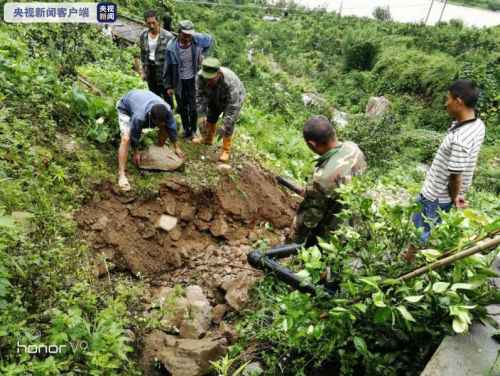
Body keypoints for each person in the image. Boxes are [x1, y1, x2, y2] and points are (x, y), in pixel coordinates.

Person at [412, 80, 485, 244]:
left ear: (458, 101)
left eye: (448, 99)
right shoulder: (478, 125)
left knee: (419, 236)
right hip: (444, 196)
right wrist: (458, 194)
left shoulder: (461, 139)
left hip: (434, 197)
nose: (446, 104)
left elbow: (455, 176)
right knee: (430, 233)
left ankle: (409, 266)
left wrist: (455, 196)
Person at [291, 116, 367, 247]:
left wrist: (295, 237)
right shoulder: (353, 148)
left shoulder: (322, 178)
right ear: (334, 132)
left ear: (311, 144)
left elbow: (310, 218)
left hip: (337, 238)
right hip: (361, 224)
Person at [115, 89, 183, 191]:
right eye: (158, 123)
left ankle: (159, 148)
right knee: (126, 138)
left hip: (142, 98)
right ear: (151, 118)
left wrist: (176, 147)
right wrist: (136, 152)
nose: (160, 125)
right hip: (126, 106)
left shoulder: (167, 110)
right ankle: (121, 174)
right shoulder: (139, 117)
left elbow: (172, 127)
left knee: (166, 126)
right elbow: (135, 134)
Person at [164, 20, 213, 140]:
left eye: (190, 34)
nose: (188, 37)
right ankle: (186, 130)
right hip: (179, 82)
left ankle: (194, 130)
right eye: (185, 35)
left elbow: (211, 40)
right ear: (179, 33)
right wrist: (169, 86)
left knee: (194, 107)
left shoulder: (197, 40)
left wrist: (203, 55)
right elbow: (168, 67)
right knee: (182, 106)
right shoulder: (171, 47)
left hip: (193, 80)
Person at [193, 58, 245, 162]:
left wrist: (224, 125)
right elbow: (199, 96)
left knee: (228, 124)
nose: (208, 81)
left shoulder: (230, 82)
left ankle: (226, 149)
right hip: (212, 95)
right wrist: (201, 115)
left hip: (232, 100)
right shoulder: (200, 77)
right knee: (211, 115)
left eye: (211, 79)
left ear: (219, 73)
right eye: (206, 78)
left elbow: (233, 108)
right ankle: (207, 139)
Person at [139, 10, 174, 107]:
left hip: (163, 71)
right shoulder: (144, 35)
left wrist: (172, 79)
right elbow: (143, 54)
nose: (151, 26)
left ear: (158, 22)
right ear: (145, 23)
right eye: (148, 23)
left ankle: (169, 115)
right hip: (150, 69)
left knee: (167, 97)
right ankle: (157, 117)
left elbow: (173, 59)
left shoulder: (168, 36)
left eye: (153, 23)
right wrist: (143, 71)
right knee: (153, 95)